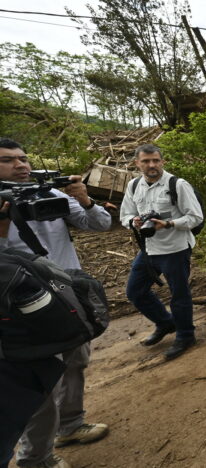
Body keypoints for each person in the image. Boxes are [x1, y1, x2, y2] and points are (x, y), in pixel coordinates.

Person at [0, 138, 111, 468]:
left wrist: (85, 201)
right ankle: (36, 458)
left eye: (23, 159)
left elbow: (102, 224)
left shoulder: (51, 192)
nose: (21, 165)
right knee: (39, 385)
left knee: (77, 362)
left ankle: (71, 425)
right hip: (26, 309)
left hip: (67, 298)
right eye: (8, 160)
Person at [121, 144, 203, 361]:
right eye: (146, 161)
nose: (152, 165)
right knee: (135, 292)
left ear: (162, 161)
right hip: (148, 250)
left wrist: (168, 223)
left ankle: (186, 335)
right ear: (137, 163)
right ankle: (166, 323)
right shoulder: (134, 185)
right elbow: (125, 215)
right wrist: (134, 221)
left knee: (179, 294)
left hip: (175, 249)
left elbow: (196, 217)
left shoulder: (177, 185)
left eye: (156, 160)